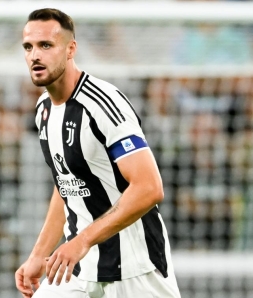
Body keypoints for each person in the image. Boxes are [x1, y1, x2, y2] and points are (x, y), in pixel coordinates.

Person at [15, 8, 181, 298]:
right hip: (77, 271)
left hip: (134, 269)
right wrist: (39, 254)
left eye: (46, 45)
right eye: (28, 47)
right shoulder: (43, 110)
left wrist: (82, 241)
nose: (35, 55)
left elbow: (149, 188)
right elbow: (67, 183)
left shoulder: (103, 104)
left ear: (70, 49)